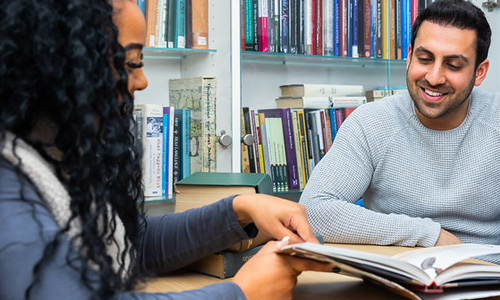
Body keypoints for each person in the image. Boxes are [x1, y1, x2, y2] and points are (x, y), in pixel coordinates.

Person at [0, 1, 332, 300]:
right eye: (129, 63)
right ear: (59, 66)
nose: (142, 80)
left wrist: (240, 208)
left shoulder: (59, 151)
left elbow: (129, 242)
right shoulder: (7, 181)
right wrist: (241, 293)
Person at [300, 0, 500, 263]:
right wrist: (429, 235)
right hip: (398, 277)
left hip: (486, 278)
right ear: (409, 56)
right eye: (425, 59)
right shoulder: (371, 122)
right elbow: (312, 211)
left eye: (453, 65)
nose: (434, 77)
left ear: (479, 72)